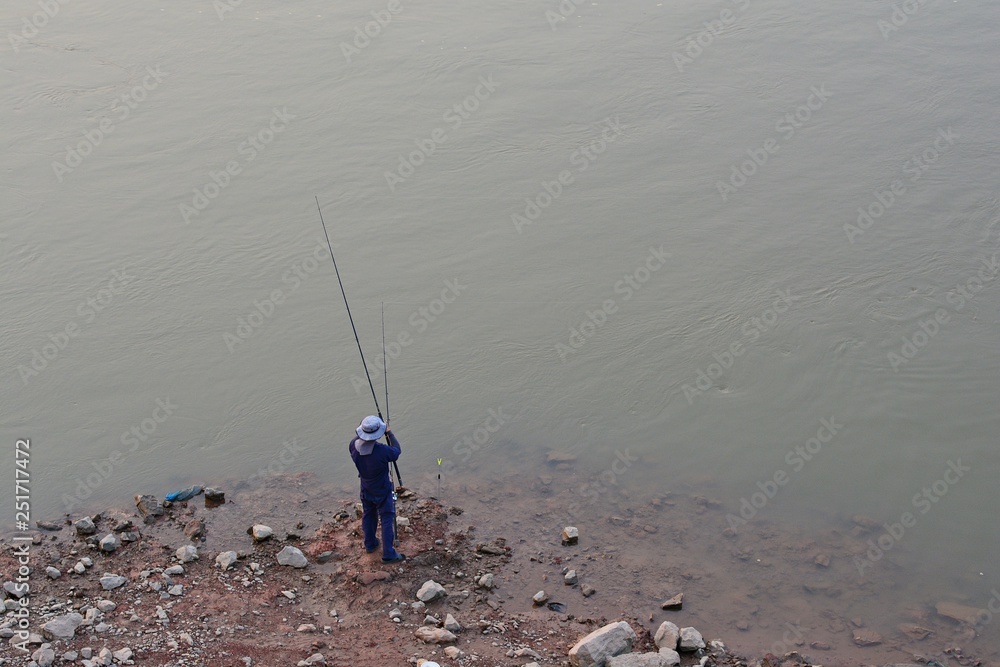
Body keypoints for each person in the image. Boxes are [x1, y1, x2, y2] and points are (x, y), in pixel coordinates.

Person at [349, 415, 405, 563]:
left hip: (366, 487)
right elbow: (397, 451)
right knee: (387, 517)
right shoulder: (382, 451)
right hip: (382, 489)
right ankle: (388, 554)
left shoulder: (353, 445)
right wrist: (389, 432)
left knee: (368, 515)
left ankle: (370, 544)